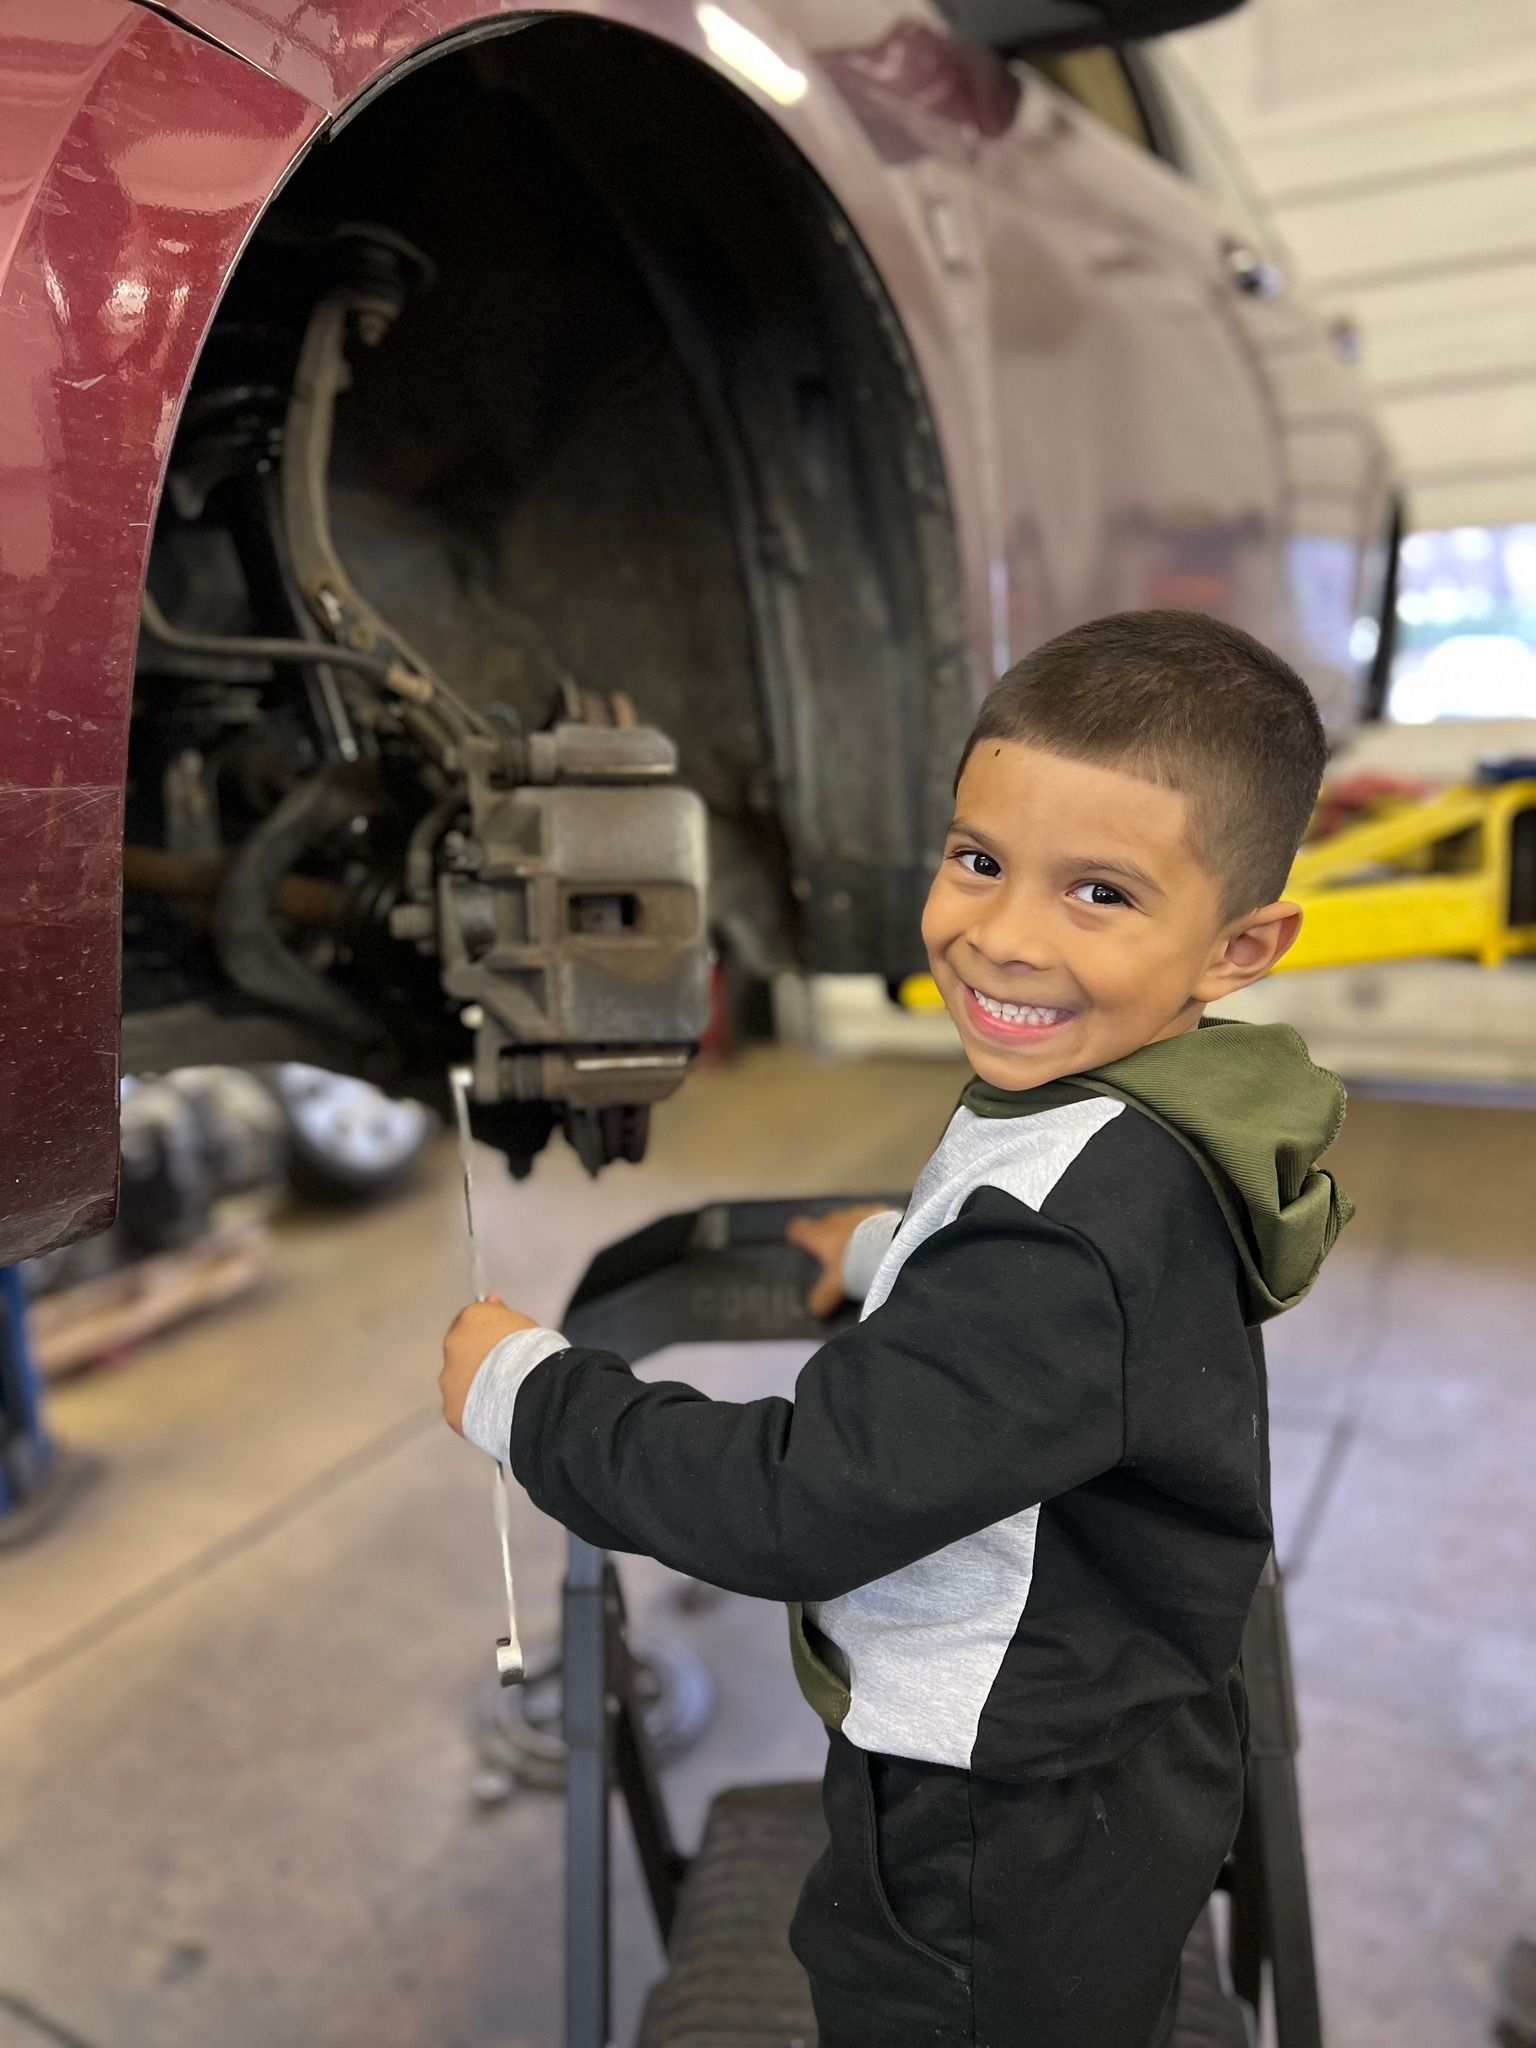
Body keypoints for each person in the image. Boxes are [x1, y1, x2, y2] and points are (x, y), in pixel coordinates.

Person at [438, 609, 1353, 2047]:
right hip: (1114, 1752)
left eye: (1098, 894)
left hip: (998, 1828)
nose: (1000, 934)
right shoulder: (1150, 1118)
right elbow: (1077, 1326)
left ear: (1240, 946)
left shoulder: (1063, 1238)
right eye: (979, 859)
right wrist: (891, 1253)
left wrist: (528, 1395)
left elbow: (799, 1505)